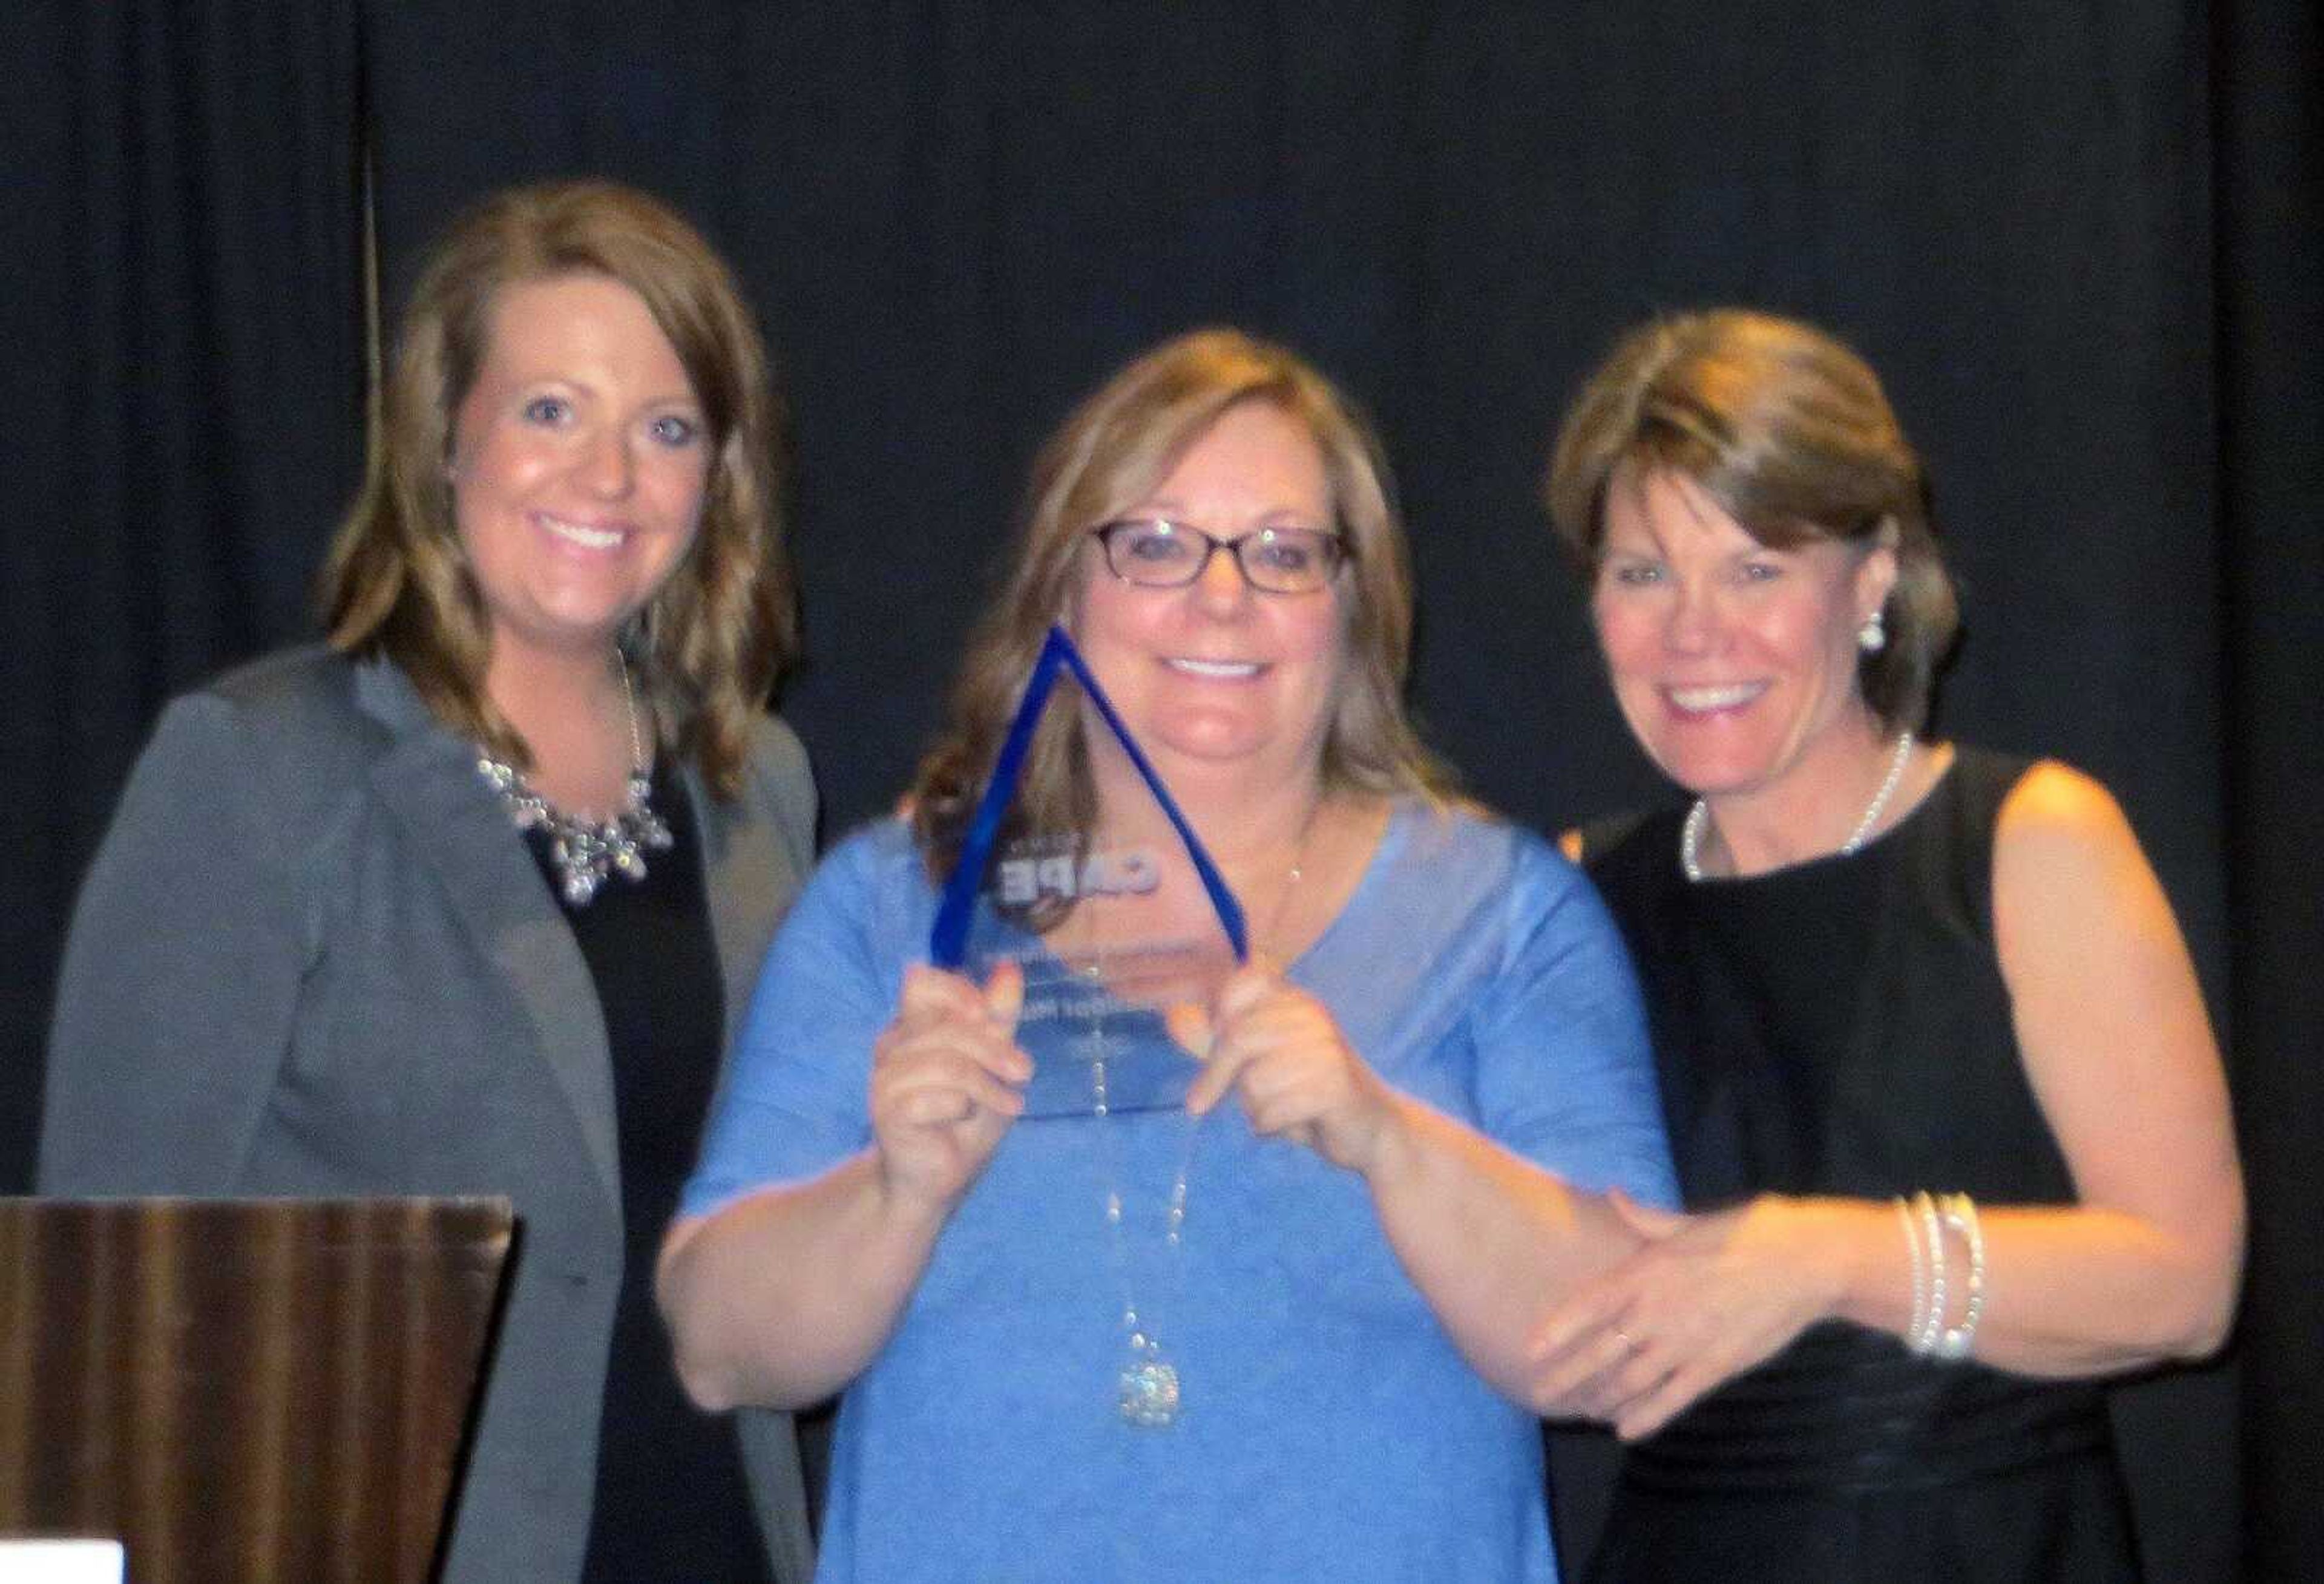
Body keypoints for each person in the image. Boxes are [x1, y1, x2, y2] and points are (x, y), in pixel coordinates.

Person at [657, 327, 1676, 1583]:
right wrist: (895, 1193)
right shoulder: (894, 907)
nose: (1222, 598)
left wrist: (1392, 1140)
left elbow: (1630, 1349)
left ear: (1358, 605)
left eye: (1285, 553)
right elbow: (717, 1349)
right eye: (1153, 545)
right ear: (1061, 588)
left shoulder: (1503, 917)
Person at [39, 180, 817, 1584]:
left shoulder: (757, 786)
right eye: (550, 411)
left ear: (719, 477)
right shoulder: (259, 776)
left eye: (667, 429)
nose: (611, 478)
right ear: (442, 441)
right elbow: (105, 1313)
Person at [1529, 308, 2244, 1581]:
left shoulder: (2032, 843)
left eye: (1756, 567)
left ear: (1870, 580)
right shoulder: (1573, 894)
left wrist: (1828, 1258)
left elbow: (2188, 1286)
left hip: (1994, 1546)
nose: (1695, 632)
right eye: (1644, 573)